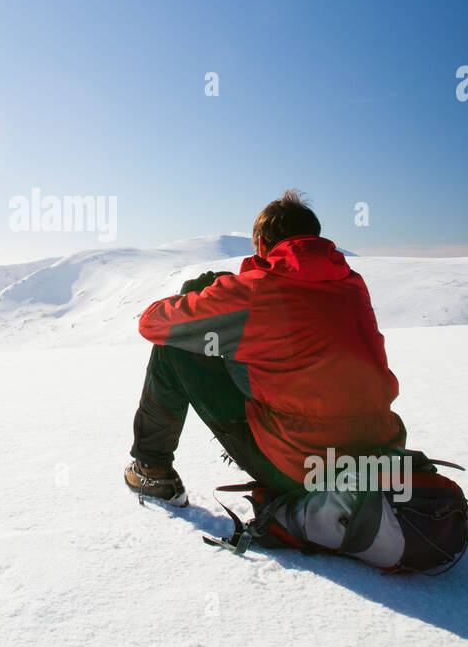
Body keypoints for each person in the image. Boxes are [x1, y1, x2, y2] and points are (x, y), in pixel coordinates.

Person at [124, 190, 406, 507]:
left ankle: (152, 472)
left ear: (261, 245)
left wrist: (198, 294)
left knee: (173, 349)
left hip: (303, 468)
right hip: (381, 456)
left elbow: (151, 324)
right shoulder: (352, 284)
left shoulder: (253, 292)